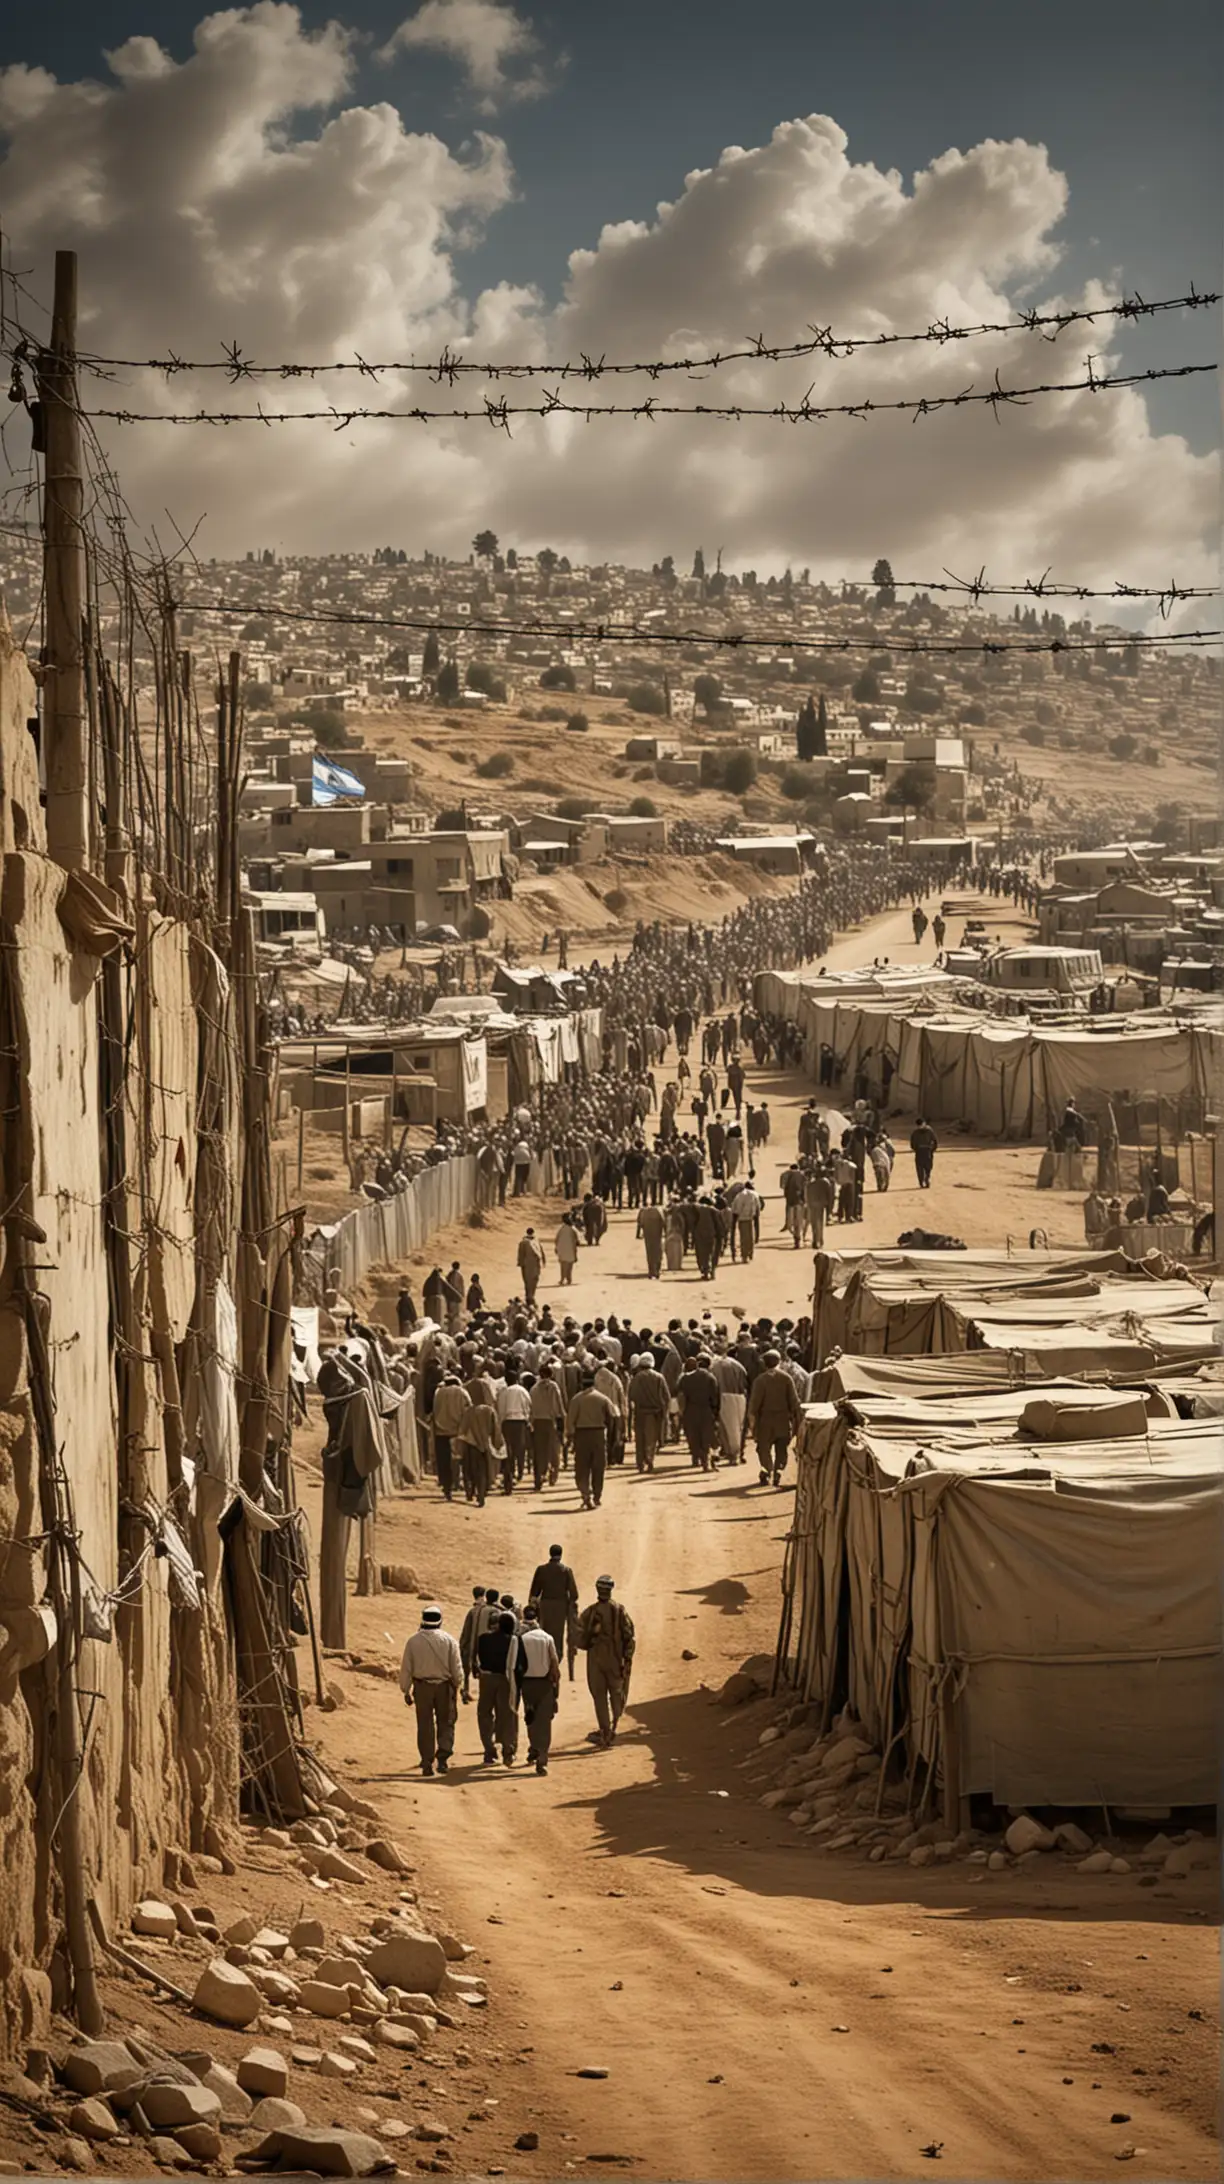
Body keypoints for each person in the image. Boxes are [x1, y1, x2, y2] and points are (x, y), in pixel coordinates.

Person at [398, 1604, 462, 1777]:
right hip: (444, 1687)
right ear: (440, 1621)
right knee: (446, 1722)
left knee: (425, 1725)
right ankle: (443, 1760)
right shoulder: (449, 1640)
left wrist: (405, 1689)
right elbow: (456, 1667)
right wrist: (457, 1684)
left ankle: (427, 1762)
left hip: (422, 1687)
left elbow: (407, 1668)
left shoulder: (413, 1641)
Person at [575, 1575, 635, 1748]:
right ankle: (613, 1726)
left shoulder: (589, 1612)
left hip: (596, 1660)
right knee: (617, 1693)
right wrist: (628, 1657)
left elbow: (578, 1638)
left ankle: (605, 1730)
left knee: (599, 1696)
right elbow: (629, 1636)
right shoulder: (619, 1611)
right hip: (615, 1660)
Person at [746, 1348, 803, 1487]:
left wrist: (752, 1424)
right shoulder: (786, 1378)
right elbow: (795, 1402)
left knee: (763, 1448)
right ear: (778, 1362)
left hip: (765, 1421)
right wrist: (798, 1422)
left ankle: (767, 1468)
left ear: (764, 1363)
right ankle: (778, 1470)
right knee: (781, 1448)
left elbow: (754, 1405)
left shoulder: (760, 1380)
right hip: (783, 1420)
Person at [516, 1602, 561, 1774]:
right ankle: (542, 1757)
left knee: (531, 1718)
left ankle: (534, 1746)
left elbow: (517, 1664)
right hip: (545, 1684)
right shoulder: (547, 1638)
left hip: (527, 1684)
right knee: (545, 1722)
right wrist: (555, 1688)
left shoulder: (522, 1639)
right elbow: (554, 1664)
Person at [566, 1370, 618, 1510]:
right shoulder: (602, 1398)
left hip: (581, 1435)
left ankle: (585, 1493)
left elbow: (570, 1421)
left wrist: (570, 1437)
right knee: (598, 1467)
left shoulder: (576, 1399)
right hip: (598, 1434)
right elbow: (612, 1417)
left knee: (582, 1467)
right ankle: (596, 1496)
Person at [475, 1609, 521, 1766]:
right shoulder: (514, 1641)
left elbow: (479, 1659)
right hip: (505, 1680)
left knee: (484, 1714)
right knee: (507, 1714)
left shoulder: (483, 1639)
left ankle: (489, 1750)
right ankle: (508, 1751)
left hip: (486, 1679)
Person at [527, 1543, 579, 1667]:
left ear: (550, 1554)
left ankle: (543, 1660)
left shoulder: (541, 1569)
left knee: (543, 1633)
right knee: (558, 1636)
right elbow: (574, 1594)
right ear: (561, 1555)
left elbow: (534, 1592)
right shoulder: (566, 1571)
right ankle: (556, 1660)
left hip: (544, 1607)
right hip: (560, 1608)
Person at [678, 1351, 721, 1471]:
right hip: (706, 1410)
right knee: (706, 1436)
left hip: (690, 1410)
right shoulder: (710, 1377)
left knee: (693, 1436)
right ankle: (706, 1462)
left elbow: (681, 1396)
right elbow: (715, 1397)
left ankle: (696, 1458)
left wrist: (682, 1411)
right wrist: (715, 1413)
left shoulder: (685, 1379)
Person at [628, 1351, 670, 1472]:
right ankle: (650, 1460)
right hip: (654, 1413)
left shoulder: (637, 1378)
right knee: (651, 1439)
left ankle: (640, 1463)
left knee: (640, 1439)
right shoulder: (659, 1377)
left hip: (640, 1412)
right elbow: (666, 1396)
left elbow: (632, 1395)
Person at [431, 1371, 469, 1501]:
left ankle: (447, 1488)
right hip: (457, 1432)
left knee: (444, 1462)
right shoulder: (462, 1392)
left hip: (441, 1432)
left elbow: (434, 1411)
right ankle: (459, 1483)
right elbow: (468, 1410)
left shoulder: (438, 1393)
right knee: (459, 1460)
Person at [528, 1362, 565, 1489]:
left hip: (537, 1422)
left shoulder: (533, 1389)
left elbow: (530, 1408)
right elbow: (558, 1406)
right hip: (551, 1422)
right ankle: (553, 1474)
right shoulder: (553, 1387)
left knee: (539, 1452)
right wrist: (562, 1420)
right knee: (553, 1451)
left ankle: (539, 1476)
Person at [636, 1199, 666, 1279]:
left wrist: (638, 1234)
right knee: (658, 1252)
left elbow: (640, 1223)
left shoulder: (643, 1211)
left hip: (648, 1235)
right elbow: (663, 1222)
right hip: (657, 1235)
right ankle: (657, 1270)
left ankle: (651, 1270)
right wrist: (665, 1232)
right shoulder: (659, 1210)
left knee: (650, 1253)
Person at [517, 1227, 545, 1306]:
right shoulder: (524, 1242)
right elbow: (521, 1254)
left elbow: (541, 1252)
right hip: (528, 1265)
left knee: (534, 1280)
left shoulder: (536, 1241)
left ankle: (531, 1296)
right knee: (528, 1281)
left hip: (535, 1265)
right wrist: (521, 1263)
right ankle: (529, 1297)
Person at [910, 1117, 939, 1190]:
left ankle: (927, 1178)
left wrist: (933, 1149)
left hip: (928, 1151)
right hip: (919, 1151)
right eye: (919, 1126)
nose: (920, 1127)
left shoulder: (929, 1131)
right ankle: (921, 1182)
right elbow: (912, 1142)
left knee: (928, 1167)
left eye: (922, 1125)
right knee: (919, 1168)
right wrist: (915, 1148)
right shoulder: (915, 1132)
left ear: (924, 1124)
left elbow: (935, 1140)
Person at [554, 1214, 580, 1287]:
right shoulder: (572, 1228)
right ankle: (568, 1279)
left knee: (563, 1265)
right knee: (569, 1265)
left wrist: (556, 1247)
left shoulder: (562, 1228)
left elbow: (557, 1239)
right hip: (570, 1248)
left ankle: (563, 1279)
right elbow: (577, 1239)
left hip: (562, 1249)